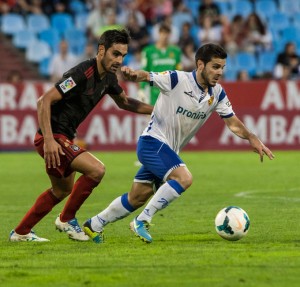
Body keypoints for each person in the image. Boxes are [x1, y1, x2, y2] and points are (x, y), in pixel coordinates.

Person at [83, 43, 275, 244]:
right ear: (200, 64)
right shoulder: (177, 79)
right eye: (215, 67)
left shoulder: (217, 93)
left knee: (137, 197)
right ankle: (142, 220)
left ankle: (94, 224)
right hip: (152, 143)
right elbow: (147, 75)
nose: (219, 72)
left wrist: (252, 138)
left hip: (167, 150)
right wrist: (133, 74)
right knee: (184, 178)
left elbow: (233, 123)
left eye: (222, 68)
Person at [9, 29, 153, 242]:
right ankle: (67, 219)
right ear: (101, 50)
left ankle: (21, 232)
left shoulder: (109, 79)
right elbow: (43, 101)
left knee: (61, 190)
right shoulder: (82, 73)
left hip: (63, 138)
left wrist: (158, 110)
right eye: (115, 54)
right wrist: (48, 140)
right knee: (96, 170)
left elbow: (125, 102)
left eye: (123, 55)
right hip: (53, 137)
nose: (119, 60)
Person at [140, 23, 181, 105]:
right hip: (154, 91)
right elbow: (144, 69)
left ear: (170, 35)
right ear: (159, 34)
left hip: (170, 90)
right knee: (152, 115)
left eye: (167, 33)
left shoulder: (176, 51)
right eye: (162, 33)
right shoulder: (148, 51)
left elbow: (179, 70)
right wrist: (141, 89)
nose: (164, 36)